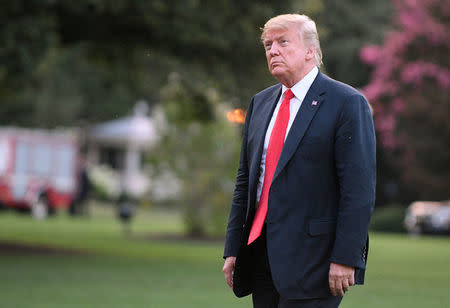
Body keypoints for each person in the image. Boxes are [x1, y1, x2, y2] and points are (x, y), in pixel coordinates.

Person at [222, 14, 376, 308]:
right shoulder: (260, 103)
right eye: (268, 45)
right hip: (260, 255)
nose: (272, 50)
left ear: (310, 51)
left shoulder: (346, 103)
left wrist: (346, 257)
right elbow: (245, 181)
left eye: (282, 42)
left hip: (316, 260)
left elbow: (359, 189)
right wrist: (233, 249)